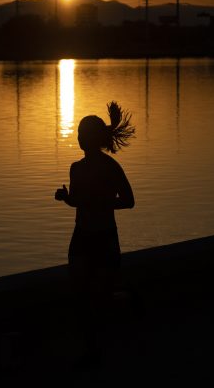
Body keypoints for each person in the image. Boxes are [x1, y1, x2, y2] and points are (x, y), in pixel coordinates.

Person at [55, 101, 135, 364]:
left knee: (102, 296)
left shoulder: (111, 167)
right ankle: (90, 349)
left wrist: (101, 203)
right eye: (77, 134)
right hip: (82, 238)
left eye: (81, 134)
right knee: (81, 295)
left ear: (91, 138)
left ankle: (110, 337)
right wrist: (66, 198)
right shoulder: (76, 168)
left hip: (104, 238)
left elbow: (128, 200)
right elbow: (78, 201)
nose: (77, 138)